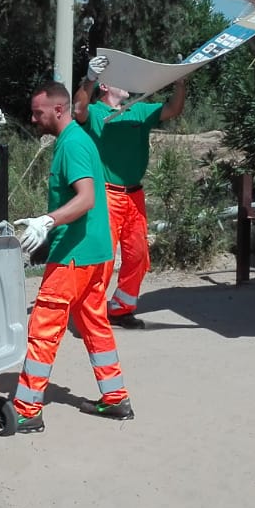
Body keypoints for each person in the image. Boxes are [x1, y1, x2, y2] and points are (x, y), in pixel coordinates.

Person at [7, 81, 133, 433]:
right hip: (96, 252)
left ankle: (27, 409)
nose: (34, 119)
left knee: (44, 327)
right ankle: (115, 397)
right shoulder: (78, 140)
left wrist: (48, 220)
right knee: (94, 323)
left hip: (74, 255)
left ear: (58, 110)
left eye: (38, 112)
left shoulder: (73, 144)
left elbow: (86, 198)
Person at [71, 56, 186, 328]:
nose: (128, 87)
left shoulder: (138, 110)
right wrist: (89, 79)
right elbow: (78, 108)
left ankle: (121, 308)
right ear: (106, 86)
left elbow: (174, 109)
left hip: (135, 195)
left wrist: (180, 82)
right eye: (121, 82)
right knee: (103, 259)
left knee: (138, 256)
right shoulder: (97, 113)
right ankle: (91, 315)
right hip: (107, 196)